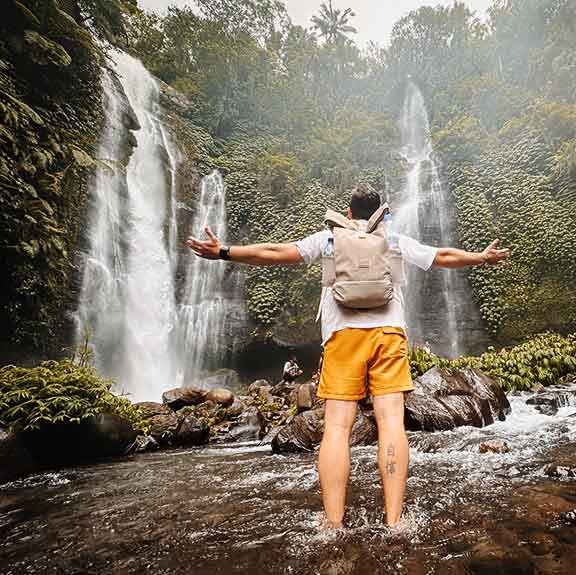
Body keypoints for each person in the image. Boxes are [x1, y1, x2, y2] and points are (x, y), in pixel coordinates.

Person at [188, 183, 509, 529]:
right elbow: (441, 257)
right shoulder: (395, 239)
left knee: (337, 429)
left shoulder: (328, 239)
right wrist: (481, 257)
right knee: (390, 425)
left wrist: (224, 251)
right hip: (388, 335)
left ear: (349, 211)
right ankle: (395, 520)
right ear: (380, 212)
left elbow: (275, 252)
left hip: (342, 338)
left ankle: (334, 524)